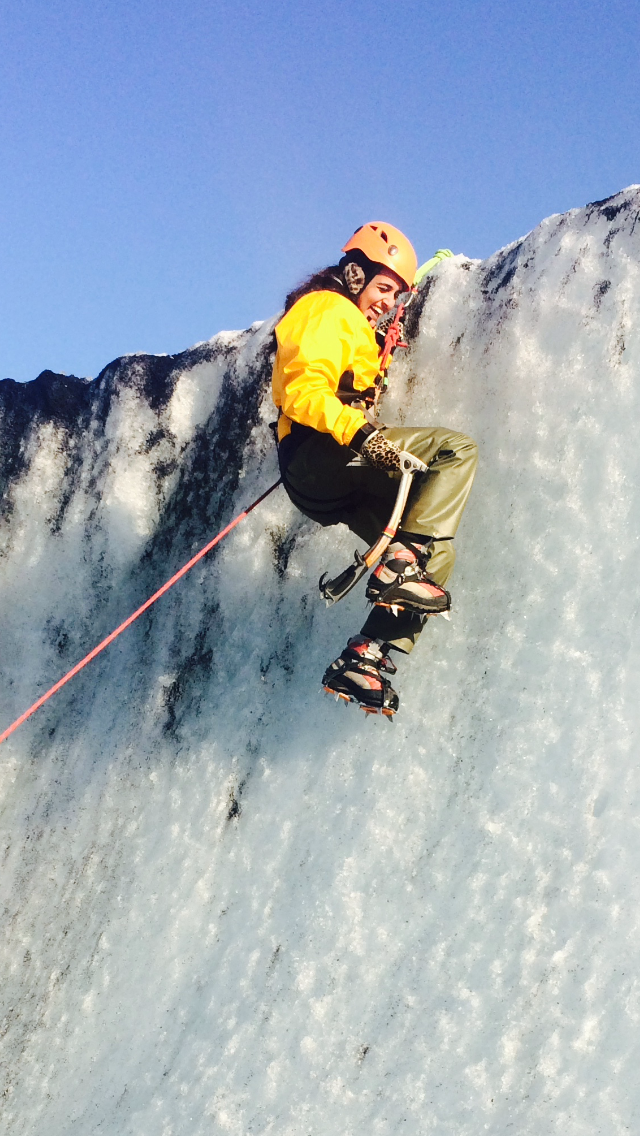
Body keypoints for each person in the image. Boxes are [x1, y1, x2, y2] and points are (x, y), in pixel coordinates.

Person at [272, 223, 477, 715]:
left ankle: (365, 657)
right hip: (320, 450)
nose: (387, 301)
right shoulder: (326, 308)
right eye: (383, 288)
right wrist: (361, 433)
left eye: (395, 294)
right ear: (355, 273)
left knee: (432, 553)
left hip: (327, 478)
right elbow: (303, 392)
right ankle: (397, 564)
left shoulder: (356, 326)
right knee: (455, 450)